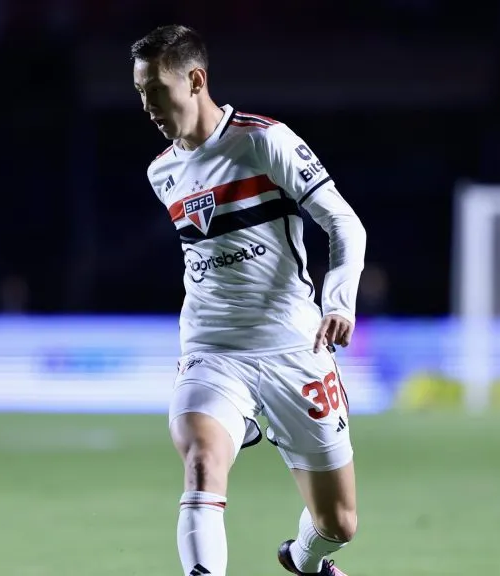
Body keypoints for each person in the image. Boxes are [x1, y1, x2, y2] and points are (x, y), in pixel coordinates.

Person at [131, 25, 368, 576]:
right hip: (211, 348)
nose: (147, 108)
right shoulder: (160, 171)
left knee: (339, 523)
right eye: (140, 95)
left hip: (293, 345)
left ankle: (304, 562)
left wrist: (340, 301)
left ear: (195, 80)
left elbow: (343, 222)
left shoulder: (263, 141)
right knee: (202, 461)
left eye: (156, 93)